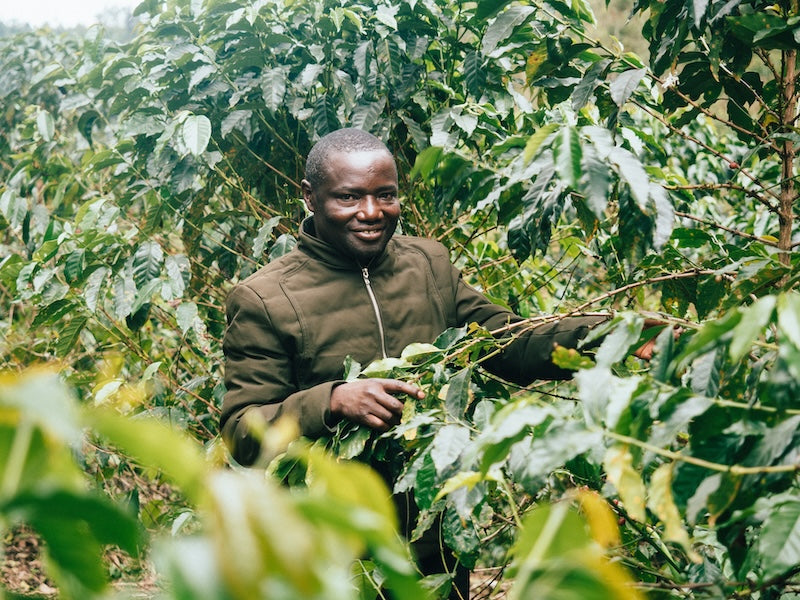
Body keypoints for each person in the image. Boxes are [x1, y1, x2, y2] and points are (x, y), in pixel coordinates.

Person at [221, 128, 614, 598]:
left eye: (385, 195)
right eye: (348, 197)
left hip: (433, 537)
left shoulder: (429, 264)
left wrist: (610, 335)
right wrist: (333, 400)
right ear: (309, 197)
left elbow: (507, 342)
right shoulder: (265, 299)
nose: (371, 213)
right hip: (331, 548)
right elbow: (244, 432)